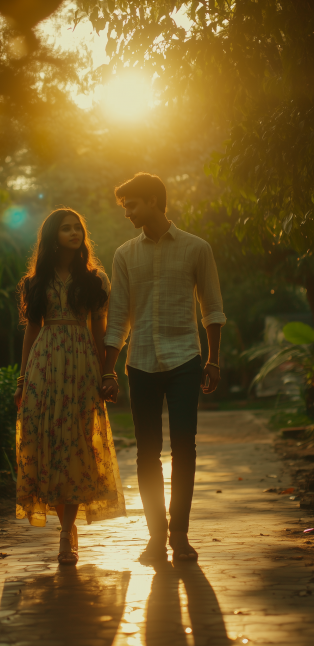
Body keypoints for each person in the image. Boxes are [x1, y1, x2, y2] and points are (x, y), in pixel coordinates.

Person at [101, 173, 226, 562]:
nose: (126, 213)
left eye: (131, 204)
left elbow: (212, 308)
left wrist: (213, 360)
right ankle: (156, 536)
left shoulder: (196, 248)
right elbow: (118, 315)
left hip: (185, 360)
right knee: (146, 453)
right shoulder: (125, 254)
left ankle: (180, 534)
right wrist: (108, 369)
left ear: (153, 201)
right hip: (140, 363)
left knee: (183, 448)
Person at [14, 208, 126, 565]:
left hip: (80, 364)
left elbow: (100, 330)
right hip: (44, 364)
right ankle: (65, 525)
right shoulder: (35, 281)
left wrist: (107, 373)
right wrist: (21, 380)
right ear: (52, 236)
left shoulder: (94, 280)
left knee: (77, 444)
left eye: (78, 227)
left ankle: (67, 532)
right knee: (48, 441)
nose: (75, 233)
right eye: (66, 228)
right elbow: (32, 329)